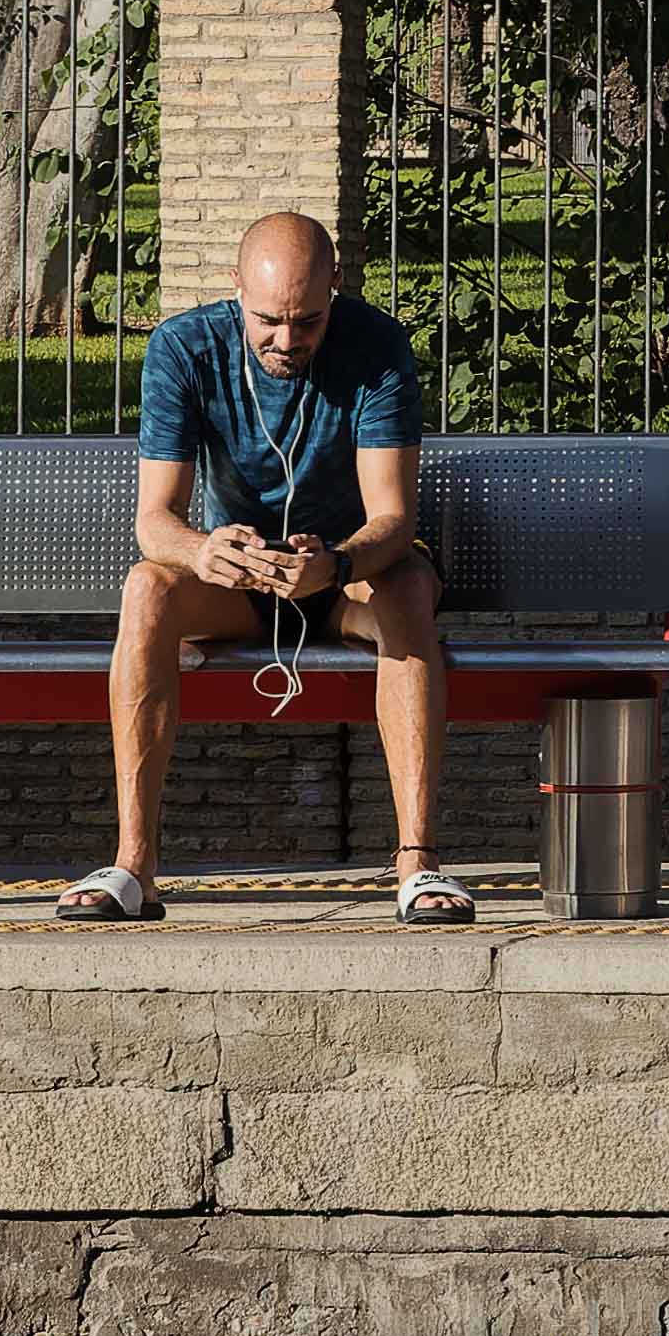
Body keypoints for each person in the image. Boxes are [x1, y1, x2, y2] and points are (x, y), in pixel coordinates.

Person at [63, 209, 450, 927]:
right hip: (235, 582)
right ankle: (134, 866)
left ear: (335, 289)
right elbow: (156, 522)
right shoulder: (183, 347)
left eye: (307, 321)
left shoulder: (375, 344)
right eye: (269, 319)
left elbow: (394, 520)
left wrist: (333, 563)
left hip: (343, 577)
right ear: (236, 286)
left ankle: (417, 864)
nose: (286, 340)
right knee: (146, 587)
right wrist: (204, 550)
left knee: (407, 589)